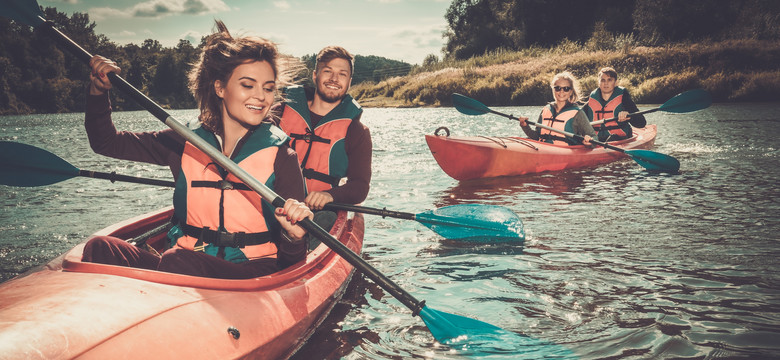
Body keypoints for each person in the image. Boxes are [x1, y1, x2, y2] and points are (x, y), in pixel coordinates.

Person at [80, 20, 314, 280]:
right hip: (185, 259)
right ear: (220, 88)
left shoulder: (281, 155)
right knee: (100, 247)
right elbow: (106, 142)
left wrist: (294, 235)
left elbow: (294, 260)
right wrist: (98, 92)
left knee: (177, 261)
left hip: (251, 272)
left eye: (268, 88)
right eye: (248, 85)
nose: (261, 96)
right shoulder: (184, 141)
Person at [272, 46, 372, 234]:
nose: (334, 79)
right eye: (328, 71)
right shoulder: (278, 113)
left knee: (324, 221)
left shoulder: (357, 132)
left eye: (342, 74)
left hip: (317, 213)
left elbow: (360, 187)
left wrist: (329, 195)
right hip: (272, 202)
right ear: (315, 75)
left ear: (349, 82)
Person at [519, 71, 596, 146]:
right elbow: (537, 136)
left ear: (571, 92)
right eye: (557, 88)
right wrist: (525, 126)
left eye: (566, 88)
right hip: (543, 150)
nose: (561, 91)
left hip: (566, 153)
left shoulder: (577, 113)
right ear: (553, 90)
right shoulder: (546, 110)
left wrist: (589, 142)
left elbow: (594, 137)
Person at [582, 67, 646, 142]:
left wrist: (629, 116)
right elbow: (576, 118)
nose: (606, 83)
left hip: (619, 139)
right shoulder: (592, 99)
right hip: (596, 139)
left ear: (615, 82)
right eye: (603, 80)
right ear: (598, 83)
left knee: (613, 138)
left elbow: (642, 123)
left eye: (609, 80)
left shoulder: (624, 98)